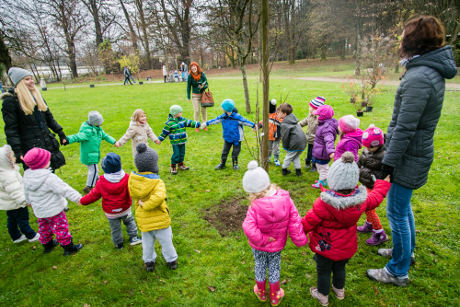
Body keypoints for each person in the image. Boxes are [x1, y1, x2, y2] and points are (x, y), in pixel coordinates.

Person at [367, 16, 457, 286]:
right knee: (403, 209)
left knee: (396, 212)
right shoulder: (425, 71)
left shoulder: (420, 76)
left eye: (405, 35)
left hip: (408, 155)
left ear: (415, 40)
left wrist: (388, 163)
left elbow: (406, 127)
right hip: (412, 152)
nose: (401, 40)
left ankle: (397, 270)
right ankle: (404, 253)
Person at [302, 152, 391, 306]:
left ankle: (323, 296)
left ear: (333, 180)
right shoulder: (361, 201)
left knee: (323, 271)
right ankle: (339, 291)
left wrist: (295, 231)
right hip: (346, 247)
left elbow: (307, 222)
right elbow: (376, 197)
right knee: (340, 269)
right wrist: (383, 183)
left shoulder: (323, 204)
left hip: (325, 247)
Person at [242, 160, 307, 306]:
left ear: (251, 191)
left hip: (259, 245)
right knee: (274, 267)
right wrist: (299, 239)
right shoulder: (285, 199)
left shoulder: (254, 207)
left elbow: (248, 227)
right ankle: (274, 295)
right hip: (277, 245)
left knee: (259, 265)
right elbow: (295, 220)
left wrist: (264, 239)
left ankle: (261, 292)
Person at [1, 67, 67, 171]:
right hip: (30, 147)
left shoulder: (37, 98)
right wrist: (17, 151)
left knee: (50, 174)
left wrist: (60, 133)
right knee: (36, 178)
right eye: (27, 79)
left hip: (46, 143)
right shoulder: (11, 102)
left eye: (31, 78)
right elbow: (11, 129)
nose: (31, 81)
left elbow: (49, 118)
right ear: (19, 83)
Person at [22, 147, 83, 256]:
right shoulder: (49, 178)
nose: (49, 161)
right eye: (47, 160)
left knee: (44, 228)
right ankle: (68, 248)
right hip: (54, 210)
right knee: (60, 228)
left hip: (40, 211)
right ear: (41, 164)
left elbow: (26, 191)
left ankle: (47, 245)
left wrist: (28, 201)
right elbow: (65, 189)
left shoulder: (27, 176)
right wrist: (78, 198)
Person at [128, 143, 178, 272]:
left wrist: (142, 205)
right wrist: (146, 205)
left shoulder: (133, 180)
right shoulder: (157, 182)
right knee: (166, 241)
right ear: (153, 165)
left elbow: (132, 194)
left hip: (143, 220)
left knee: (147, 243)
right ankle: (172, 260)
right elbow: (159, 197)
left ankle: (149, 261)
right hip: (159, 219)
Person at [79, 153, 142, 249]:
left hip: (111, 212)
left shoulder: (101, 181)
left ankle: (118, 243)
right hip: (125, 208)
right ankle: (134, 237)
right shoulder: (127, 177)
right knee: (130, 222)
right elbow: (135, 190)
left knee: (115, 228)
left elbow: (93, 195)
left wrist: (82, 201)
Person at [66, 111, 119, 194]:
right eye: (99, 123)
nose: (100, 125)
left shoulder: (98, 130)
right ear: (94, 123)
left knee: (94, 170)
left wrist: (114, 142)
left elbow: (105, 136)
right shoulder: (87, 132)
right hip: (89, 155)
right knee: (94, 170)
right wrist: (68, 139)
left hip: (93, 154)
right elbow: (78, 137)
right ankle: (89, 187)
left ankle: (98, 182)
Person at [0, 144, 40, 244]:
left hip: (9, 204)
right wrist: (24, 201)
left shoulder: (4, 172)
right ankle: (31, 235)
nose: (14, 158)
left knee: (12, 220)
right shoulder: (8, 176)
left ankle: (16, 236)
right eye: (12, 157)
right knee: (22, 219)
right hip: (17, 203)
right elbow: (15, 191)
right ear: (5, 162)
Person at [202, 99, 256, 171]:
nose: (222, 109)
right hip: (227, 137)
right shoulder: (223, 117)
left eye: (223, 107)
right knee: (224, 152)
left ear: (226, 109)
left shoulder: (237, 117)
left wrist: (254, 126)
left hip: (237, 138)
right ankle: (222, 163)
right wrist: (206, 123)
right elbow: (215, 120)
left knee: (235, 153)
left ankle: (235, 164)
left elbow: (245, 121)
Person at [357, 125, 389, 245]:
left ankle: (379, 232)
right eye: (365, 146)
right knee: (366, 206)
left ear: (378, 144)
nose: (367, 149)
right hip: (366, 182)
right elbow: (359, 162)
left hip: (375, 185)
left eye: (370, 147)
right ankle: (369, 224)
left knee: (369, 207)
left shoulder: (385, 155)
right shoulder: (367, 150)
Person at [157, 105, 200, 174]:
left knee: (182, 153)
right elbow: (164, 132)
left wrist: (198, 124)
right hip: (175, 142)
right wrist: (160, 139)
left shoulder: (182, 120)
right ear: (175, 113)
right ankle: (173, 166)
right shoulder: (169, 124)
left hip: (182, 141)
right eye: (180, 112)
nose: (181, 113)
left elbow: (190, 122)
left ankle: (180, 165)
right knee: (176, 154)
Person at [311, 105, 338, 189]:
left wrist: (330, 151)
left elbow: (329, 140)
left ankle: (322, 182)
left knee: (323, 168)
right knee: (320, 167)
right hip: (319, 150)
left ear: (322, 116)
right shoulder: (324, 124)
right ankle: (323, 179)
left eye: (318, 115)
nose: (317, 117)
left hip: (323, 153)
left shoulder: (326, 128)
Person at [279, 103, 307, 176]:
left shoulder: (285, 124)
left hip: (295, 143)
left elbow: (285, 137)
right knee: (295, 156)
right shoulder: (292, 119)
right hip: (302, 142)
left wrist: (285, 147)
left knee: (289, 156)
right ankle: (298, 171)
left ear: (284, 114)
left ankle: (284, 170)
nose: (277, 114)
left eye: (279, 112)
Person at [299, 96, 325, 172]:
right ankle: (307, 161)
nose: (309, 108)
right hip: (309, 138)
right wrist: (298, 125)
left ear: (315, 109)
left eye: (311, 107)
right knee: (309, 151)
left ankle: (314, 165)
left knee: (315, 153)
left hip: (316, 140)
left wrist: (317, 116)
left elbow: (320, 126)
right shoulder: (310, 115)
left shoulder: (319, 119)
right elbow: (305, 121)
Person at [258, 99, 283, 166]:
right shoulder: (266, 116)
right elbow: (262, 122)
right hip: (268, 136)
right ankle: (268, 158)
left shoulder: (277, 116)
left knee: (276, 149)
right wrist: (258, 126)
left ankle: (276, 159)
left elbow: (282, 122)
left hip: (276, 136)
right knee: (268, 148)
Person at [186, 62, 208, 130]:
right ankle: (197, 125)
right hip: (195, 96)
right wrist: (188, 97)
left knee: (203, 110)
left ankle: (204, 125)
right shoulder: (190, 76)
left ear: (197, 67)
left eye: (194, 66)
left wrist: (203, 87)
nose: (193, 68)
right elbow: (188, 87)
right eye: (192, 67)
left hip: (202, 95)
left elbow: (207, 84)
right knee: (196, 111)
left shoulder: (202, 74)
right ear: (191, 69)